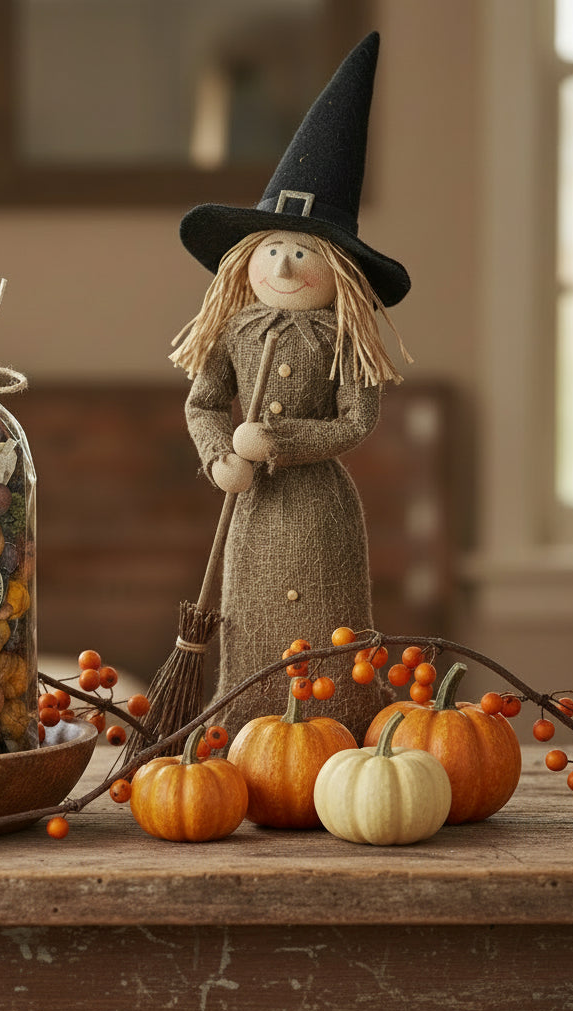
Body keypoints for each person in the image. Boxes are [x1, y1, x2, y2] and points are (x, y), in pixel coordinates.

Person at [169, 32, 412, 742]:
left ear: (339, 269)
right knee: (252, 623)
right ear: (247, 258)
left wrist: (273, 439)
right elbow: (205, 400)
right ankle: (248, 733)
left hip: (319, 509)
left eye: (303, 250)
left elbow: (354, 424)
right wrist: (220, 455)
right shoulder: (234, 332)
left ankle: (338, 730)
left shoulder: (347, 340)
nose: (285, 261)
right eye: (273, 246)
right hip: (253, 511)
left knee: (329, 623)